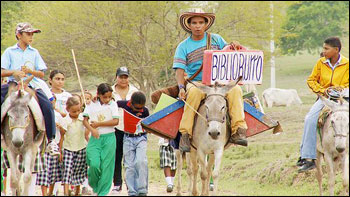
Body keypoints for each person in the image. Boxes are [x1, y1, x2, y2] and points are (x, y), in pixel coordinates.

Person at [173, 10, 248, 152]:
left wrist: (235, 46)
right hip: (198, 83)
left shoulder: (216, 39)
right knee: (194, 94)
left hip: (219, 83)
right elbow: (179, 70)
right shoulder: (183, 46)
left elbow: (229, 54)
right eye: (194, 23)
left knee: (236, 90)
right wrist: (181, 87)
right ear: (189, 25)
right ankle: (185, 134)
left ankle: (239, 130)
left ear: (206, 24)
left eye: (201, 22)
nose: (197, 26)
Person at [1, 22, 60, 156]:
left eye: (32, 34)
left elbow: (41, 73)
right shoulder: (9, 51)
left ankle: (51, 141)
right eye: (28, 34)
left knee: (47, 106)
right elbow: (2, 71)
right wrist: (14, 72)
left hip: (31, 84)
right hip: (12, 85)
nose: (31, 37)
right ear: (19, 35)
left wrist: (30, 71)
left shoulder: (34, 52)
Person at [297, 37, 349, 172]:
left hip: (344, 99)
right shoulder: (321, 63)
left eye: (326, 48)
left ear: (336, 50)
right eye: (323, 48)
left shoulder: (347, 64)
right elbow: (311, 80)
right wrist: (323, 90)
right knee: (309, 119)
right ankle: (308, 157)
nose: (323, 51)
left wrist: (341, 88)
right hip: (325, 98)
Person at [83, 83, 119, 196]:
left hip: (109, 138)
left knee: (106, 167)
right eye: (105, 97)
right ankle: (94, 185)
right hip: (95, 138)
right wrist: (92, 130)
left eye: (109, 96)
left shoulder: (113, 104)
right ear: (98, 95)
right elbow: (85, 120)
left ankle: (102, 193)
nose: (107, 99)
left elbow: (115, 121)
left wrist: (99, 124)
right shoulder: (91, 104)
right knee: (94, 163)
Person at [117, 91, 149, 196]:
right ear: (131, 103)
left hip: (141, 138)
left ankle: (142, 189)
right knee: (129, 165)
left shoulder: (145, 110)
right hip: (128, 138)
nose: (140, 110)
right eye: (137, 108)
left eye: (141, 108)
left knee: (141, 161)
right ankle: (132, 191)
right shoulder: (123, 104)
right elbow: (111, 103)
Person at [111, 66, 139, 192]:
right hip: (115, 128)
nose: (123, 79)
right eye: (121, 77)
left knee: (130, 158)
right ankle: (117, 183)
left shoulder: (134, 91)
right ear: (116, 77)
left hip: (130, 128)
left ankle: (130, 184)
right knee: (116, 156)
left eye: (125, 77)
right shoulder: (110, 91)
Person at [58, 96, 88, 196]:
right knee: (67, 171)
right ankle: (66, 192)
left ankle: (77, 191)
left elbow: (87, 132)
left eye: (78, 110)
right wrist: (60, 151)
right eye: (73, 111)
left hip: (81, 148)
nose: (76, 113)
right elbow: (62, 137)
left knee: (79, 170)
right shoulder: (65, 120)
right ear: (67, 110)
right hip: (68, 149)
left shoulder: (82, 118)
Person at [36, 94, 63, 196]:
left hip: (54, 144)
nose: (51, 103)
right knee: (44, 172)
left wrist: (60, 148)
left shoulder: (58, 115)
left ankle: (51, 192)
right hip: (42, 146)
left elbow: (62, 134)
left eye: (52, 101)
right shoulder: (39, 114)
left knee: (53, 172)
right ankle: (44, 193)